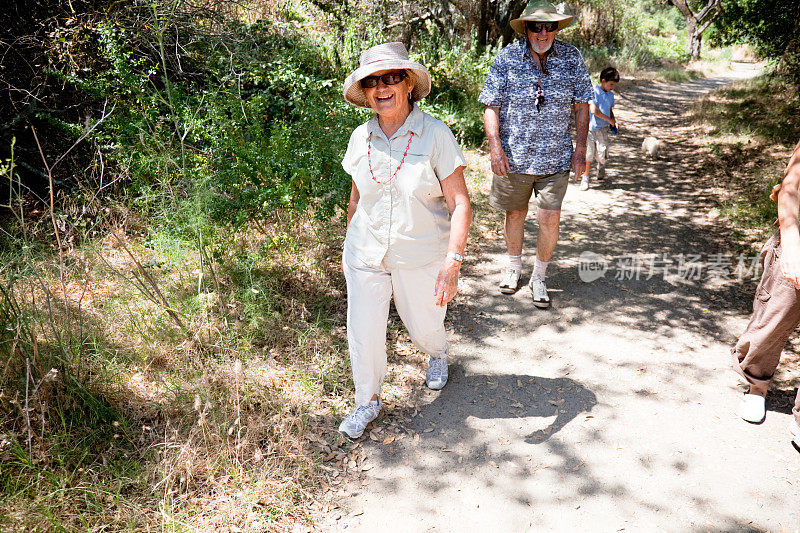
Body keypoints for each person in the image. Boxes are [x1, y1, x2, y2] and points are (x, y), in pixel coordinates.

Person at [338, 42, 472, 439]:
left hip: (421, 254)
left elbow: (461, 204)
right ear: (365, 91)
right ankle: (367, 401)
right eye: (372, 81)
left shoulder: (435, 135)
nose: (382, 87)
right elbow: (356, 197)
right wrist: (347, 247)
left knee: (424, 325)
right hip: (365, 254)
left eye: (392, 77)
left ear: (409, 84)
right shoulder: (359, 137)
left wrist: (453, 262)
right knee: (363, 332)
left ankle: (436, 352)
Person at [479, 0, 592, 308]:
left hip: (555, 158)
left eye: (549, 26)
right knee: (514, 213)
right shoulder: (507, 57)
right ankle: (514, 266)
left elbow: (582, 105)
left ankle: (539, 276)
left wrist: (581, 149)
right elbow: (491, 105)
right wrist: (495, 148)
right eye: (536, 27)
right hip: (513, 156)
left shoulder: (571, 57)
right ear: (525, 28)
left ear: (556, 28)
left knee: (549, 216)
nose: (543, 33)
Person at [732, 139, 800, 450]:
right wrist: (791, 241)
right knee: (777, 315)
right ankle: (757, 386)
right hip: (797, 241)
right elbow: (789, 189)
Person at [579, 67, 619, 191]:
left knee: (602, 152)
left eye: (614, 85)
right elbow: (593, 110)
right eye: (611, 84)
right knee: (588, 154)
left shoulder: (610, 95)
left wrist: (614, 122)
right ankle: (585, 178)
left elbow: (610, 110)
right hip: (591, 129)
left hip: (603, 129)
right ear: (603, 80)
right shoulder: (594, 92)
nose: (612, 87)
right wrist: (609, 119)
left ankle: (601, 167)